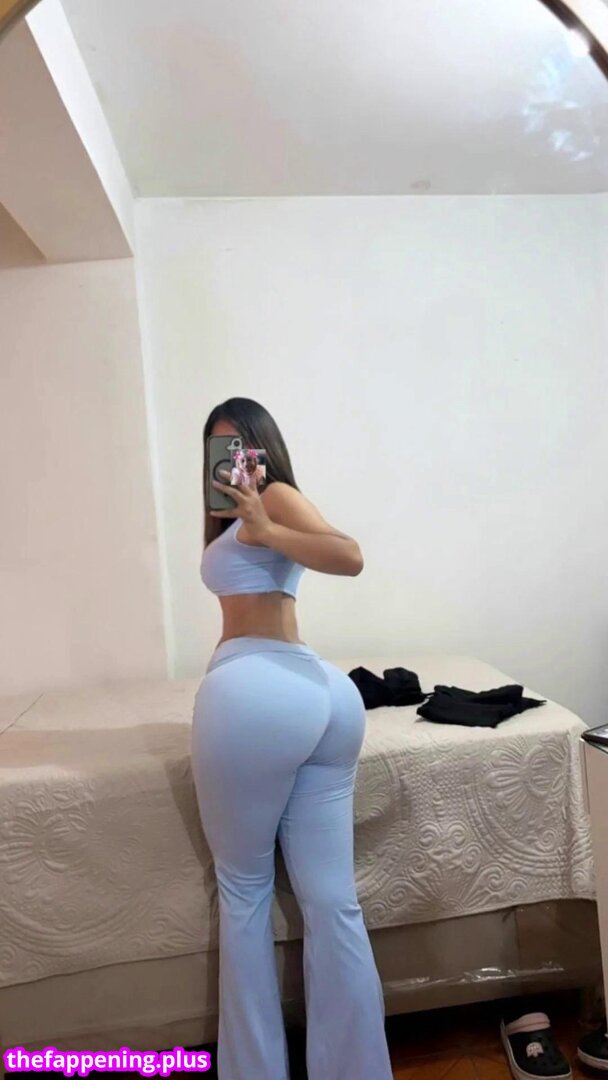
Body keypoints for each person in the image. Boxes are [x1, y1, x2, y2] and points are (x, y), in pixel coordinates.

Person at [191, 397, 393, 1080]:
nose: (233, 465)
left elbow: (349, 556)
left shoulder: (273, 498)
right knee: (332, 901)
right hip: (323, 699)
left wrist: (265, 524)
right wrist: (252, 526)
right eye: (220, 452)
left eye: (242, 448)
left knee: (245, 891)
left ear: (264, 449)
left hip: (259, 692)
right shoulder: (241, 518)